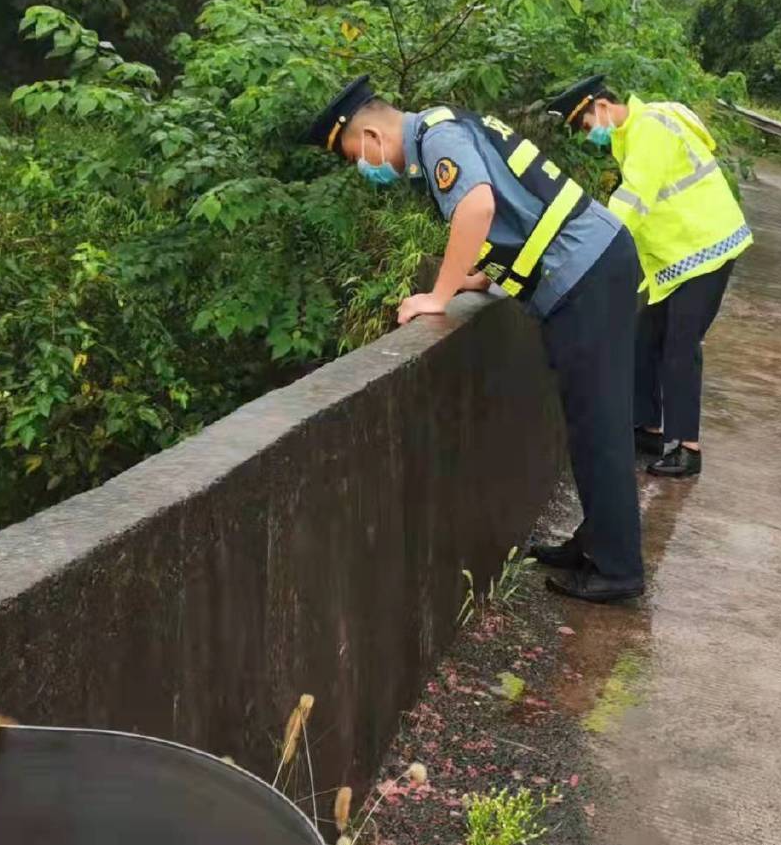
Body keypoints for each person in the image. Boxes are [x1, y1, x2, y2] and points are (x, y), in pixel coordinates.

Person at [301, 75, 646, 603]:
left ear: (368, 133)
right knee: (587, 422)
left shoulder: (436, 138)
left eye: (352, 156)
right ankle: (597, 541)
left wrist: (439, 295)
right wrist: (478, 278)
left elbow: (479, 207)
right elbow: (516, 210)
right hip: (589, 269)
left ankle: (619, 569)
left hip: (588, 276)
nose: (361, 168)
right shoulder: (448, 126)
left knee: (601, 425)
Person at [545, 75, 751, 479]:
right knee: (645, 336)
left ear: (602, 107)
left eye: (587, 126)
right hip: (677, 258)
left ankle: (687, 449)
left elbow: (633, 200)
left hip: (707, 247)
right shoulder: (632, 136)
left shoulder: (648, 128)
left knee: (680, 345)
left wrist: (590, 250)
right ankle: (650, 428)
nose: (590, 137)